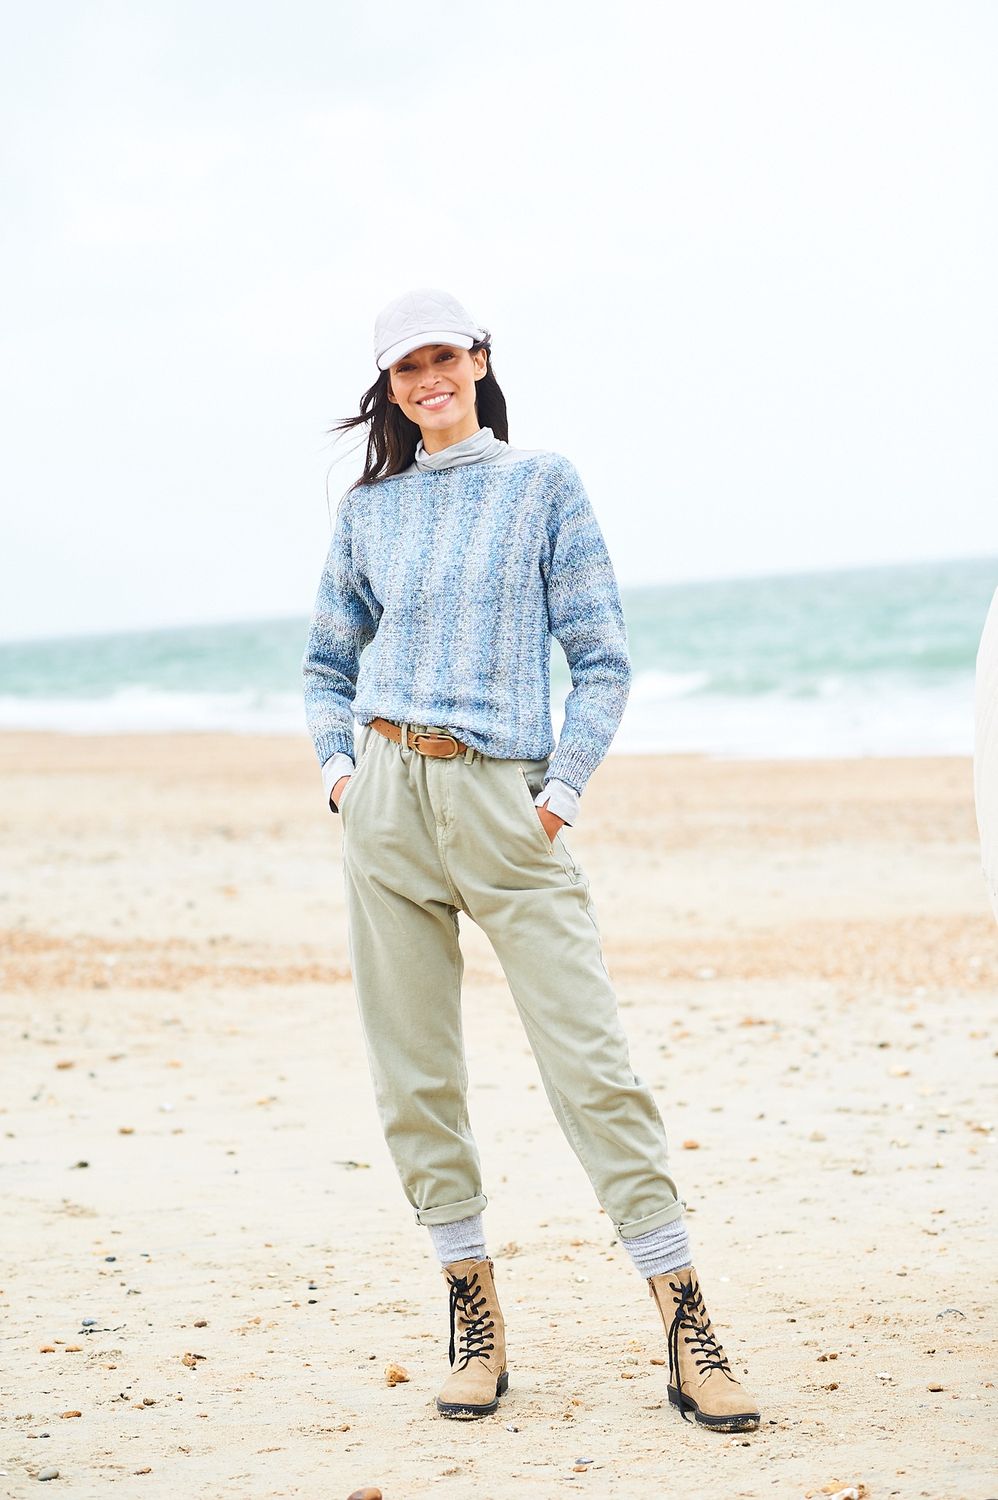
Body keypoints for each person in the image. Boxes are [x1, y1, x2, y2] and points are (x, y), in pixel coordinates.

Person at [301, 286, 760, 1432]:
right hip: (387, 800)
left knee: (591, 1066)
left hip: (507, 802)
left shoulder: (542, 484)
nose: (427, 381)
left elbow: (600, 659)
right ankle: (471, 1312)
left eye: (442, 357)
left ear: (478, 360)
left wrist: (555, 799)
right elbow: (324, 662)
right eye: (405, 369)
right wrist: (339, 777)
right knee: (415, 1076)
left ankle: (683, 1320)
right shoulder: (369, 515)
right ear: (388, 389)